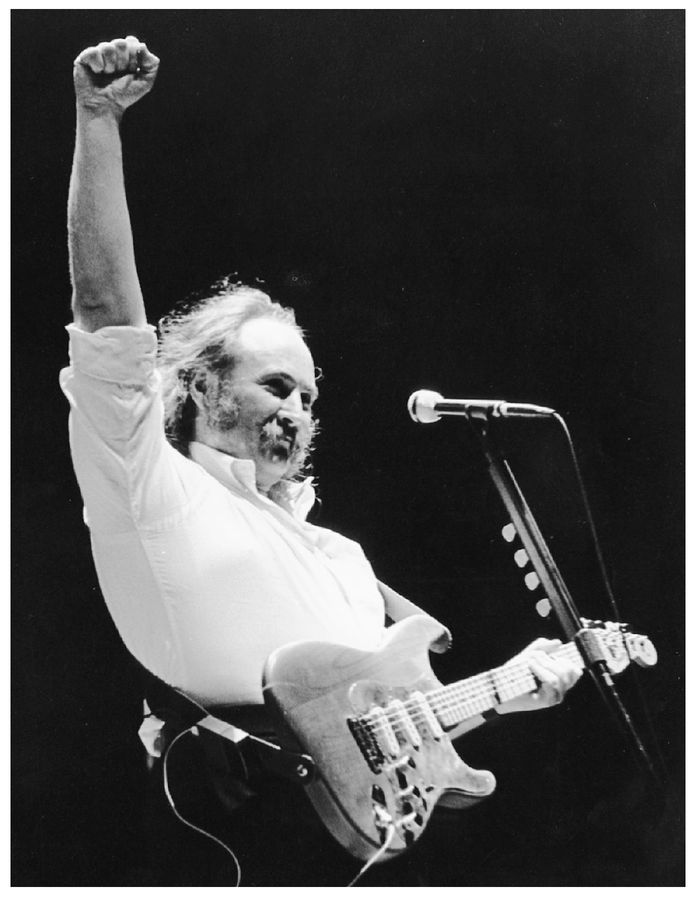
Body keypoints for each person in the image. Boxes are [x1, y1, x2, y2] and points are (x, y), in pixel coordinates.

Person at [61, 36, 583, 886]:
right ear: (201, 385)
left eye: (307, 396)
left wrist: (509, 686)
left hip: (366, 850)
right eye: (274, 385)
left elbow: (389, 726)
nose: (297, 412)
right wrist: (98, 124)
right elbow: (104, 314)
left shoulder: (345, 560)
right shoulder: (151, 483)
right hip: (246, 836)